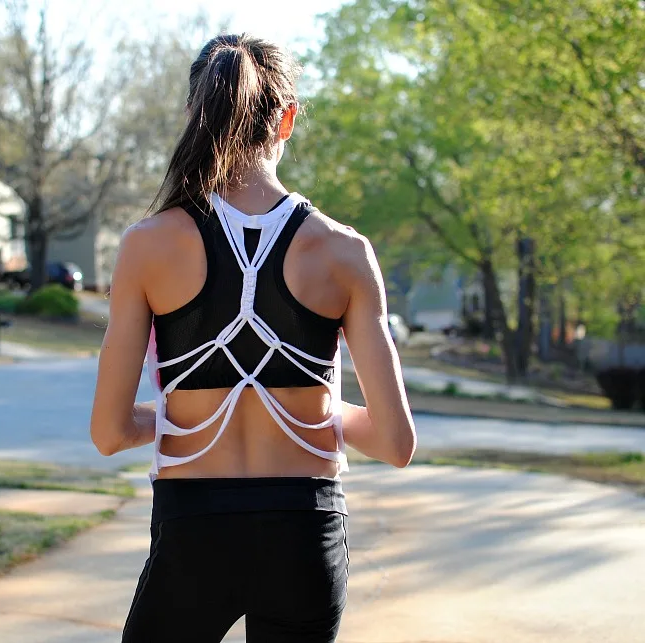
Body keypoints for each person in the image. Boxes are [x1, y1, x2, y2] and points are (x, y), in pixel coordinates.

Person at [90, 33, 416, 643]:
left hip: (194, 533)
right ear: (288, 119)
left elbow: (109, 432)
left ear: (195, 115)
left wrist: (184, 413)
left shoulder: (148, 245)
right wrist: (306, 410)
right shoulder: (345, 252)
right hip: (305, 533)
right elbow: (396, 443)